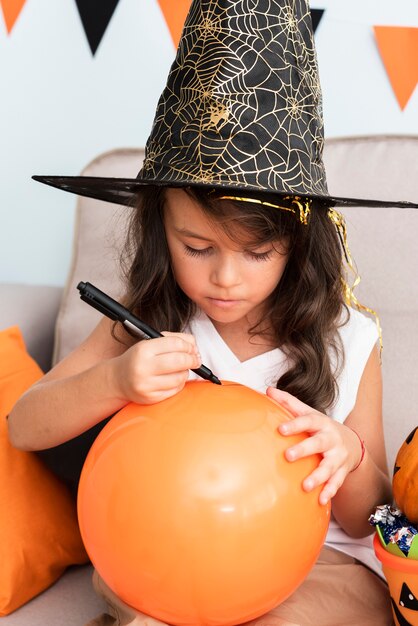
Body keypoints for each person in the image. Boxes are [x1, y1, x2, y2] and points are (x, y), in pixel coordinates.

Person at [10, 0, 416, 623]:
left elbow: (367, 517)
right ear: (158, 228)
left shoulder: (348, 339)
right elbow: (24, 427)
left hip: (315, 566)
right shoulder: (143, 317)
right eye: (196, 248)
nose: (224, 278)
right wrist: (114, 381)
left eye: (257, 253)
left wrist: (346, 453)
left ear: (299, 246)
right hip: (168, 554)